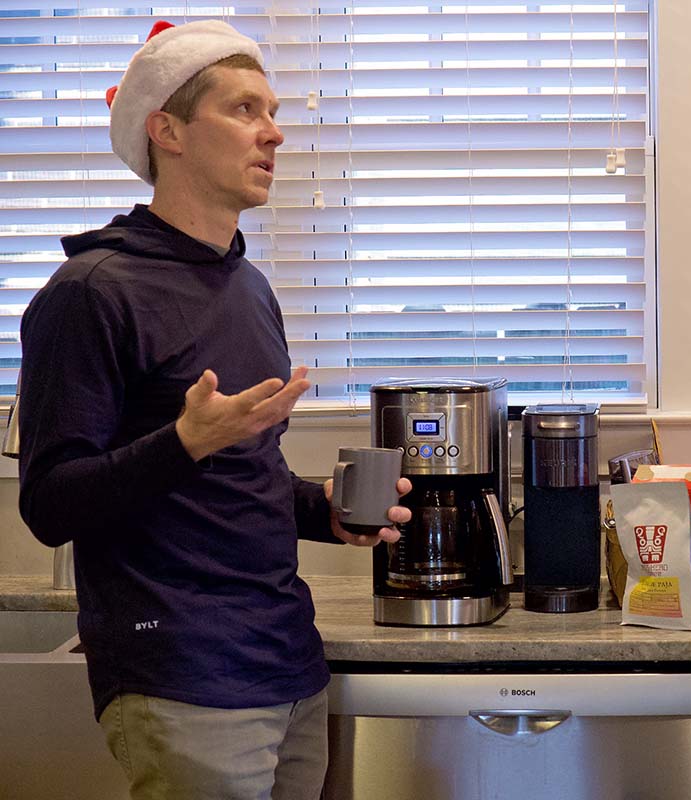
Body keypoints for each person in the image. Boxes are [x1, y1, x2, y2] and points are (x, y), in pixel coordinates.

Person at [16, 19, 410, 800]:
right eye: (244, 110)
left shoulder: (247, 286)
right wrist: (184, 441)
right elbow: (51, 503)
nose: (275, 133)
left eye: (272, 110)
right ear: (168, 130)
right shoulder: (91, 293)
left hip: (288, 660)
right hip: (180, 672)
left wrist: (319, 508)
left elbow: (239, 467)